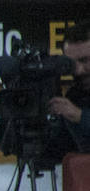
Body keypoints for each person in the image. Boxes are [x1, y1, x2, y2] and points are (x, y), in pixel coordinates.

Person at [45, 22, 90, 161]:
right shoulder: (74, 97)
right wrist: (10, 137)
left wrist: (80, 116)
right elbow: (57, 153)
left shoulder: (73, 108)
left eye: (85, 60)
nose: (79, 70)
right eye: (71, 63)